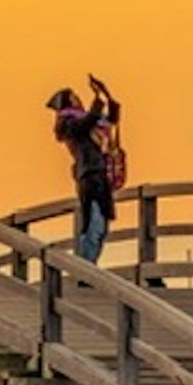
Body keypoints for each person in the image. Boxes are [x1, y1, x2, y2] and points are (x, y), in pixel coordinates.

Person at [49, 74, 126, 260]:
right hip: (89, 176)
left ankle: (89, 270)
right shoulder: (67, 124)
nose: (78, 99)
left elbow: (111, 119)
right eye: (74, 97)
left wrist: (106, 94)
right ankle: (86, 272)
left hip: (102, 174)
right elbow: (87, 122)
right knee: (93, 225)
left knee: (102, 228)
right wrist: (98, 100)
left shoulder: (87, 120)